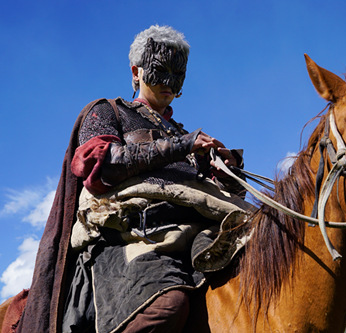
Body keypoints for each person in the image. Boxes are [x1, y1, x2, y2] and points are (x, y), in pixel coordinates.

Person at [14, 25, 252, 333]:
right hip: (133, 235)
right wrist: (181, 146)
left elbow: (210, 194)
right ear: (136, 71)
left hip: (195, 231)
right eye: (161, 70)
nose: (170, 82)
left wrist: (227, 171)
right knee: (168, 305)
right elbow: (100, 165)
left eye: (178, 74)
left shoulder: (182, 132)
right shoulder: (107, 111)